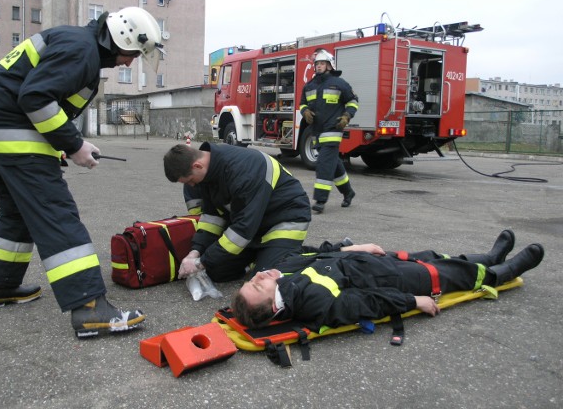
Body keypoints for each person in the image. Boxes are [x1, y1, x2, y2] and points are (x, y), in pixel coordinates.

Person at [0, 6, 164, 338]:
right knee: (56, 214)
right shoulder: (82, 50)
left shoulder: (79, 44)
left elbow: (37, 98)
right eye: (131, 54)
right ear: (119, 38)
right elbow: (34, 97)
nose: (129, 62)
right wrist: (73, 145)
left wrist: (64, 142)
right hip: (15, 133)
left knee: (17, 214)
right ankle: (89, 307)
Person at [231, 229, 544, 331]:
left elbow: (319, 253)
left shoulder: (285, 272)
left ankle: (490, 256)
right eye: (258, 285)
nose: (259, 275)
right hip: (393, 280)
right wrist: (413, 302)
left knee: (434, 255)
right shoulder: (314, 305)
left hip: (375, 259)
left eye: (253, 279)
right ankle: (502, 272)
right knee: (444, 274)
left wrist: (354, 246)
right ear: (274, 306)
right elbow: (369, 303)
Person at [163, 143, 312, 282]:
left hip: (284, 220)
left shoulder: (244, 171)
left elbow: (243, 229)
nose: (192, 185)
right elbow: (212, 218)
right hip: (255, 225)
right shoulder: (209, 174)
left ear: (197, 165)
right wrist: (195, 252)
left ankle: (300, 255)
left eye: (190, 180)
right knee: (215, 271)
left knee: (264, 278)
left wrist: (201, 262)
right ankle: (262, 255)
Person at [299, 49, 359, 213]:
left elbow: (353, 100)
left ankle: (320, 200)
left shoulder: (340, 84)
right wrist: (304, 111)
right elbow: (302, 103)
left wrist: (347, 115)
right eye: (317, 63)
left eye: (322, 63)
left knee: (324, 164)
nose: (319, 66)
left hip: (333, 130)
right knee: (335, 164)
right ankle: (348, 192)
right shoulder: (309, 86)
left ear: (330, 65)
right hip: (316, 132)